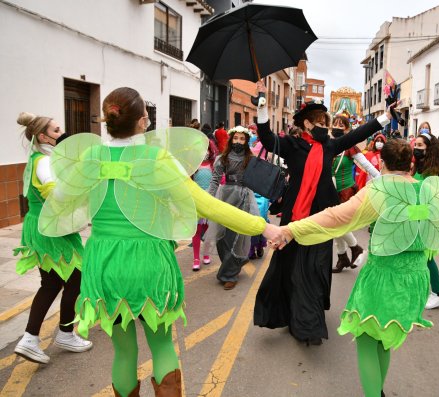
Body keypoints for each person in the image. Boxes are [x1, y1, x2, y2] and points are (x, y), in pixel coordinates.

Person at [38, 87, 283, 397]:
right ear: (143, 122)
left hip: (104, 263)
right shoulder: (157, 158)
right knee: (162, 344)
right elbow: (207, 206)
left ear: (107, 121)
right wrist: (262, 226)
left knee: (124, 353)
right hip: (150, 261)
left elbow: (60, 199)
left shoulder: (91, 156)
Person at [272, 139, 439, 396]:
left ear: (382, 163)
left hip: (383, 278)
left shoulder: (380, 190)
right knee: (383, 342)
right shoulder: (426, 190)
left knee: (365, 341)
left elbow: (336, 216)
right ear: (411, 163)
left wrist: (291, 229)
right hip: (416, 280)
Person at [253, 80, 394, 346]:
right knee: (291, 267)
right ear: (306, 123)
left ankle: (309, 323)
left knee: (315, 268)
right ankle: (291, 314)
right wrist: (262, 113)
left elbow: (355, 135)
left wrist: (386, 117)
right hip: (295, 216)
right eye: (319, 120)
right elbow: (268, 140)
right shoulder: (293, 145)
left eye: (325, 120)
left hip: (323, 216)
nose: (324, 125)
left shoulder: (329, 145)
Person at [13, 112, 92, 365]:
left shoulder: (40, 158)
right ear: (43, 136)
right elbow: (56, 194)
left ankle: (32, 337)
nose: (62, 134)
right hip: (52, 228)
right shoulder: (44, 162)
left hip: (44, 226)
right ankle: (63, 334)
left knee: (52, 283)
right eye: (57, 131)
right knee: (75, 278)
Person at [206, 126, 260, 290]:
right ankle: (235, 263)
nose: (238, 141)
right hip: (225, 197)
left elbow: (257, 180)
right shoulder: (222, 158)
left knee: (236, 237)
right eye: (235, 138)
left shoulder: (250, 159)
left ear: (246, 141)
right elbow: (215, 181)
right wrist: (207, 200)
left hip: (243, 199)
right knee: (222, 238)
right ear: (231, 139)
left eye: (242, 139)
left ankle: (229, 274)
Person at [330, 115, 379, 272]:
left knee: (337, 224)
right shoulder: (328, 145)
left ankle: (354, 248)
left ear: (347, 129)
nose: (337, 127)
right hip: (330, 190)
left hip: (345, 191)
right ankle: (342, 257)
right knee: (335, 224)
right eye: (335, 124)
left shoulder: (350, 147)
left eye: (341, 125)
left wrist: (383, 179)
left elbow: (366, 165)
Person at [412, 124, 439, 309]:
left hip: (427, 222)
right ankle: (426, 289)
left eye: (420, 145)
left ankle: (438, 293)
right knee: (422, 258)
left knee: (427, 258)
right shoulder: (418, 168)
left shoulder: (436, 173)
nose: (416, 148)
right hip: (416, 219)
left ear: (429, 149)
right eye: (415, 144)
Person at [191, 127, 219, 271]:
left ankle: (206, 254)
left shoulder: (214, 165)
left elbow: (218, 182)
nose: (204, 152)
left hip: (209, 202)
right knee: (196, 231)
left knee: (208, 231)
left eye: (206, 149)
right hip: (196, 203)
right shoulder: (192, 167)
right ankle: (196, 258)